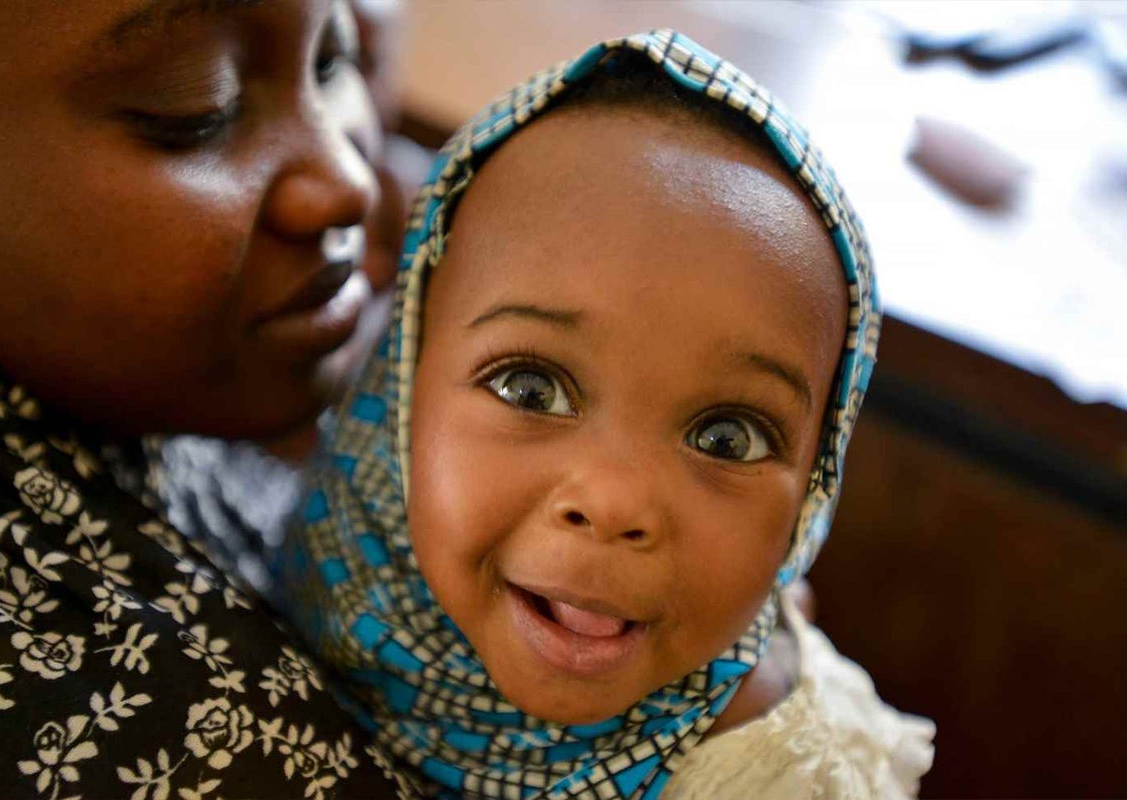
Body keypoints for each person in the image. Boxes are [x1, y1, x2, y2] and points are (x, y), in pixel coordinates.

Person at [282, 31, 936, 799]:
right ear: (401, 387)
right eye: (530, 389)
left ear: (810, 500)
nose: (615, 502)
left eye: (726, 438)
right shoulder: (340, 543)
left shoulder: (772, 776)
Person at [0, 1, 413, 797]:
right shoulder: (174, 733)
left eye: (331, 59)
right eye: (195, 109)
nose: (346, 183)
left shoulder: (141, 371)